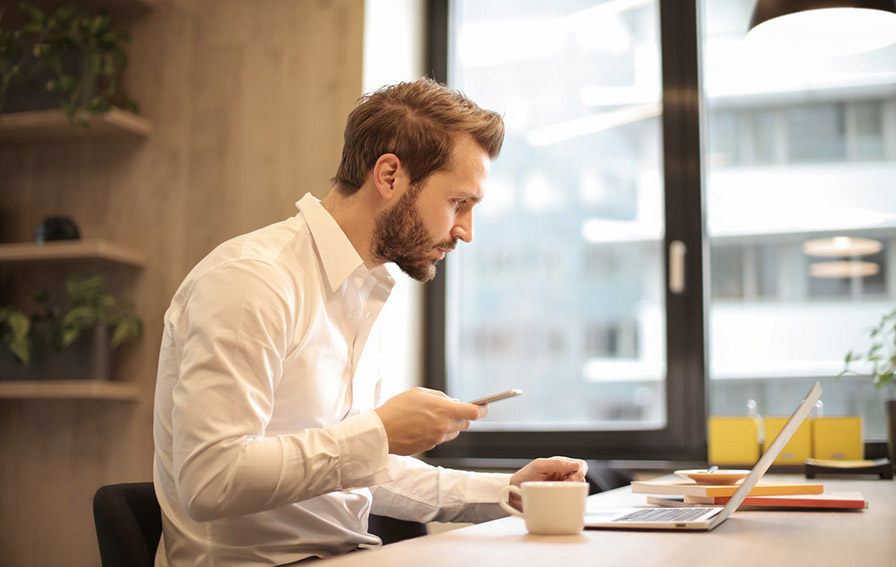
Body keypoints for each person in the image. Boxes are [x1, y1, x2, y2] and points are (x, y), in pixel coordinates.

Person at [152, 78, 587, 567]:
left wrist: (505, 491)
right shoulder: (253, 281)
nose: (465, 231)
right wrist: (378, 433)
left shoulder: (362, 291)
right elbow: (210, 480)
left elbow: (350, 470)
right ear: (389, 175)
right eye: (458, 203)